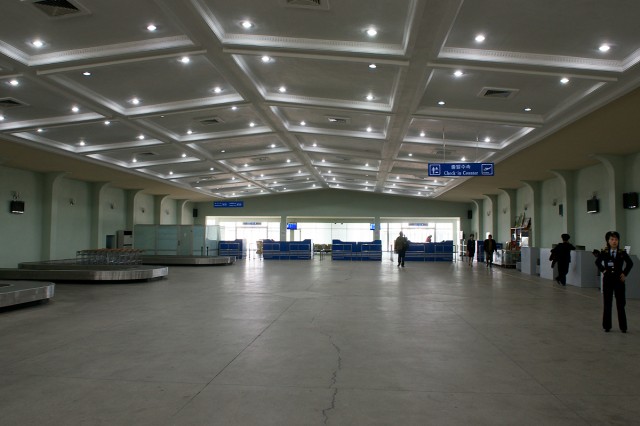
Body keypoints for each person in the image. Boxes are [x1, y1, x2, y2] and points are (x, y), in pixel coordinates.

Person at [595, 231, 633, 333]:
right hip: (608, 280)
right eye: (612, 239)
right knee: (607, 303)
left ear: (618, 240)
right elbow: (597, 262)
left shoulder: (622, 253)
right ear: (608, 241)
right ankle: (607, 326)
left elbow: (630, 263)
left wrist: (624, 273)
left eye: (616, 239)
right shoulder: (604, 252)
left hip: (619, 281)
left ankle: (623, 327)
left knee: (620, 304)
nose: (614, 241)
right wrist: (603, 270)